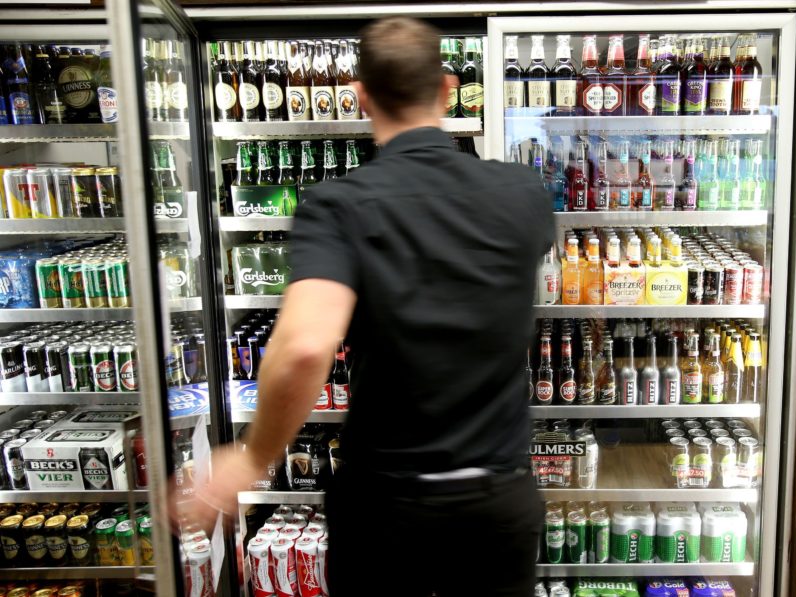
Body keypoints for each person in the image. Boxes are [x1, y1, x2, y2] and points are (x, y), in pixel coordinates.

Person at [180, 17, 554, 597]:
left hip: (386, 506)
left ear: (359, 96)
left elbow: (306, 347)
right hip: (497, 499)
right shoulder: (522, 191)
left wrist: (254, 456)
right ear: (448, 89)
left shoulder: (338, 206)